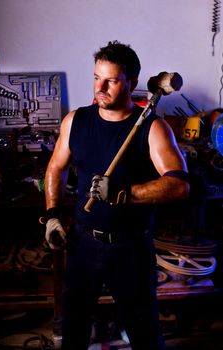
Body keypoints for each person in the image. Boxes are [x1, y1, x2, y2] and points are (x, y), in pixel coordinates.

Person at [44, 40, 190, 350]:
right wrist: (53, 215)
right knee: (74, 330)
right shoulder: (76, 121)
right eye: (97, 76)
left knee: (144, 334)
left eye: (111, 80)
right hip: (83, 243)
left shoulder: (153, 128)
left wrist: (126, 193)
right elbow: (55, 169)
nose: (101, 86)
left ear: (132, 83)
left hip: (130, 246)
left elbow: (179, 185)